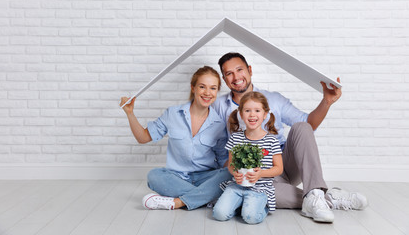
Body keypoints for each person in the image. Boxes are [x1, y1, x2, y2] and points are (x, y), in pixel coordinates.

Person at [212, 52, 368, 223]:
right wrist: (238, 173)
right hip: (256, 177)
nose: (236, 77)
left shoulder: (274, 99)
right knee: (261, 195)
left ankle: (315, 191)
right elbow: (221, 153)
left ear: (249, 70)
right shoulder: (220, 107)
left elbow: (309, 123)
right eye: (229, 73)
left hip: (285, 163)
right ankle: (324, 198)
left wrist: (327, 101)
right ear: (224, 79)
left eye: (239, 70)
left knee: (302, 127)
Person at [120, 66, 232, 210]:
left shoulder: (219, 123)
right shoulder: (172, 114)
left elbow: (224, 161)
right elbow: (143, 138)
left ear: (217, 91)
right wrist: (130, 113)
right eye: (202, 87)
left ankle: (179, 202)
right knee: (154, 175)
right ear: (193, 88)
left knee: (229, 173)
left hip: (206, 178)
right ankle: (206, 198)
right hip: (176, 178)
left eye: (213, 88)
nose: (207, 93)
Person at [213, 91, 283, 224]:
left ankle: (262, 207)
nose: (252, 115)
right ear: (241, 114)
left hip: (260, 189)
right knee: (219, 214)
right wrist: (235, 173)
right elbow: (231, 165)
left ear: (265, 115)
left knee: (250, 218)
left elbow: (279, 168)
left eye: (257, 110)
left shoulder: (271, 140)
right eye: (247, 110)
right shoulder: (236, 138)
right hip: (237, 186)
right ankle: (240, 205)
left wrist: (260, 173)